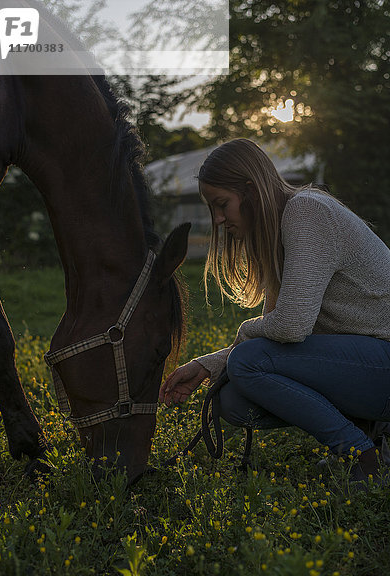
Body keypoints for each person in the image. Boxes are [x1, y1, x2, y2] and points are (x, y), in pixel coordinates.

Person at [159, 138, 390, 486]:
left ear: (250, 191)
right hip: (367, 363)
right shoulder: (280, 234)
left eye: (222, 204)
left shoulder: (306, 212)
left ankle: (363, 454)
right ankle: (369, 432)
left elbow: (290, 327)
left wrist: (242, 338)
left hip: (383, 357)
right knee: (232, 400)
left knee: (247, 361)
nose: (219, 219)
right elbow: (279, 334)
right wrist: (208, 365)